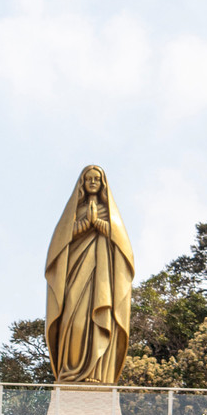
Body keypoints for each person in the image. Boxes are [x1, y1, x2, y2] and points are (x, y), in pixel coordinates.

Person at [45, 165, 134, 384]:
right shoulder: (73, 211)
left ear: (103, 183)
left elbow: (124, 248)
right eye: (89, 179)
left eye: (97, 179)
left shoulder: (112, 214)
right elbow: (60, 242)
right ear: (82, 183)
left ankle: (98, 374)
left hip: (102, 278)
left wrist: (100, 225)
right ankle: (71, 372)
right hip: (76, 271)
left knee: (100, 321)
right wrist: (85, 224)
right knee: (73, 322)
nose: (93, 182)